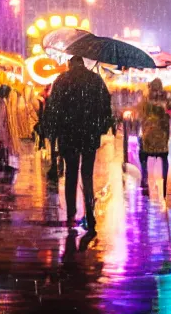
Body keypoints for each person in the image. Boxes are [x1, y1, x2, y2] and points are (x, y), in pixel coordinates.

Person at [43, 55, 113, 232]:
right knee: (87, 174)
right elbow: (106, 105)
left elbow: (53, 107)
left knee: (71, 173)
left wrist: (53, 132)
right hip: (89, 134)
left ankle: (71, 214)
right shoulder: (95, 80)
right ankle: (90, 211)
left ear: (69, 64)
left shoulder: (61, 80)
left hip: (68, 134)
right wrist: (101, 127)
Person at [137, 78, 171, 198]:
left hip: (148, 135)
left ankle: (144, 178)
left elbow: (138, 112)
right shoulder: (167, 100)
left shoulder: (145, 100)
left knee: (143, 155)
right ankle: (164, 183)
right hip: (162, 136)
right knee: (164, 158)